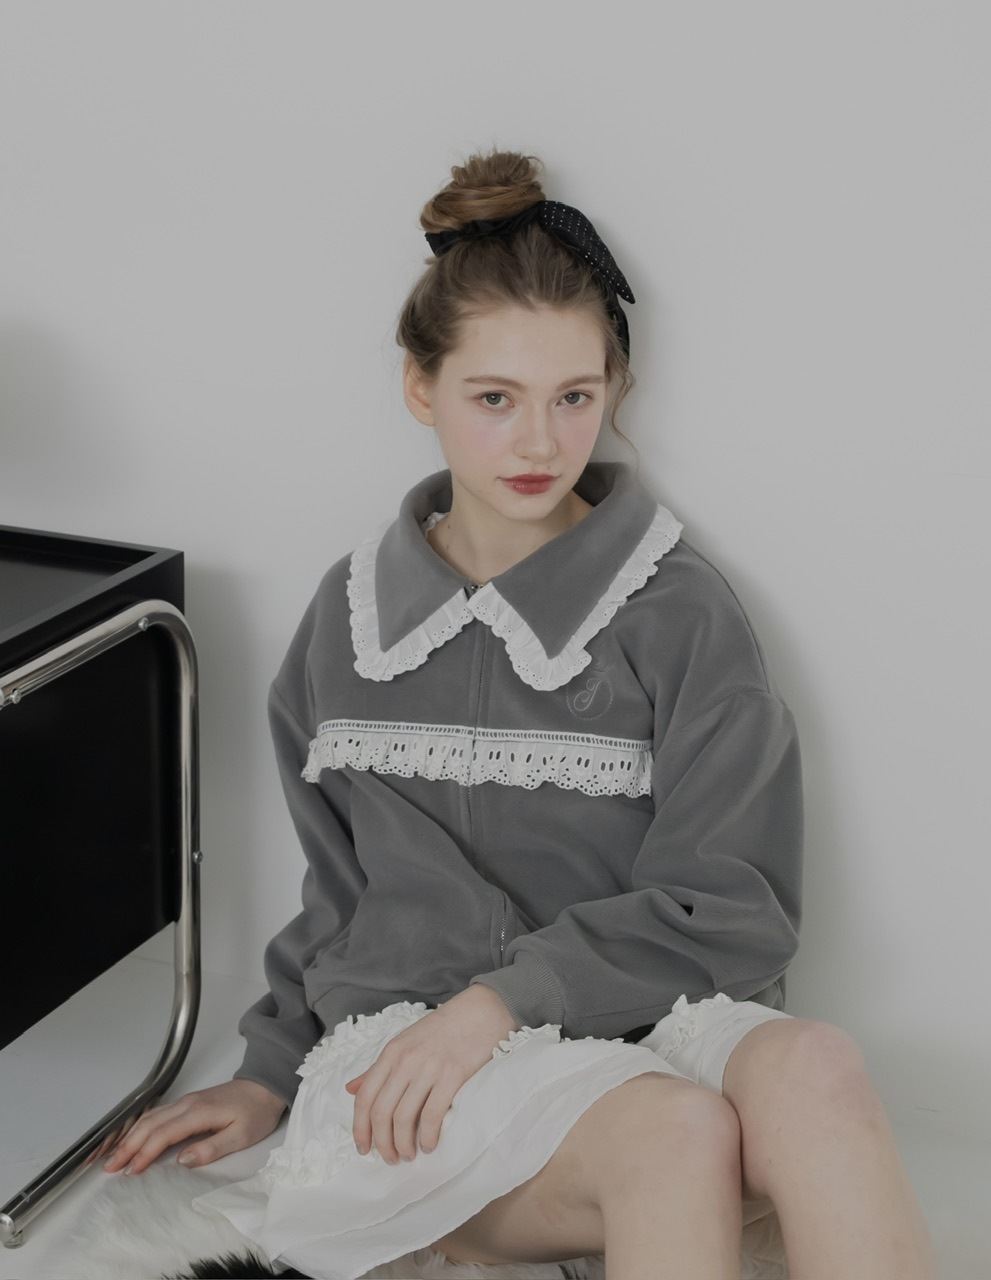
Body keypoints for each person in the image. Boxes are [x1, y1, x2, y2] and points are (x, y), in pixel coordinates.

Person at [104, 151, 936, 1280]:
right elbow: (338, 893)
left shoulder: (679, 610)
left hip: (641, 1018)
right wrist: (267, 1071)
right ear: (421, 389)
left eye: (573, 398)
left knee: (817, 1065)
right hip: (421, 1061)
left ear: (613, 390)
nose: (540, 444)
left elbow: (736, 905)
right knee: (673, 1131)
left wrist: (506, 999)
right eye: (494, 399)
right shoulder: (349, 621)